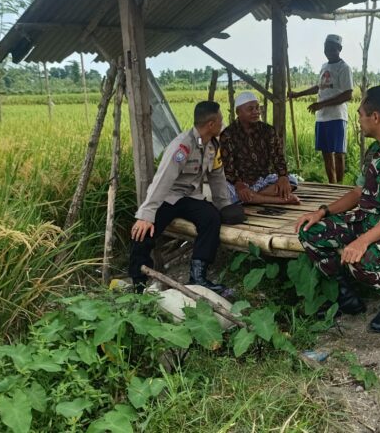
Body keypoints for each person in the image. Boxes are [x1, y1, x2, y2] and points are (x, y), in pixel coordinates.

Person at [294, 86, 380, 332]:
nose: (358, 120)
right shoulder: (374, 150)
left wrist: (361, 242)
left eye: (360, 115)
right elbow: (358, 193)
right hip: (368, 219)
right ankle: (346, 295)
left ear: (375, 117)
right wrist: (322, 212)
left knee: (361, 260)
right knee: (310, 232)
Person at [129, 101, 233, 295]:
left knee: (211, 218)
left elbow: (217, 177)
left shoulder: (212, 145)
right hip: (169, 196)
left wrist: (224, 206)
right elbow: (162, 180)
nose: (223, 123)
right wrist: (146, 214)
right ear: (211, 124)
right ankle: (138, 283)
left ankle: (198, 277)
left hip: (191, 196)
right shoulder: (182, 146)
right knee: (144, 231)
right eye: (220, 120)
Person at [288, 34, 353, 184]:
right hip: (322, 117)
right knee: (326, 153)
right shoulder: (324, 66)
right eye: (326, 47)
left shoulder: (344, 68)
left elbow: (348, 94)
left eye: (332, 48)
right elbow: (319, 87)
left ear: (339, 49)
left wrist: (321, 104)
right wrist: (298, 94)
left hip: (336, 117)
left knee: (338, 153)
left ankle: (339, 187)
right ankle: (332, 184)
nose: (328, 51)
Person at [220, 91, 300, 205]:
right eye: (250, 109)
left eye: (257, 108)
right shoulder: (228, 134)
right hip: (240, 182)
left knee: (292, 181)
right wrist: (239, 184)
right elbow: (228, 167)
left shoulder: (268, 130)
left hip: (263, 180)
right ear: (238, 112)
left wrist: (283, 177)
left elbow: (277, 156)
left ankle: (251, 198)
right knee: (226, 193)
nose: (256, 112)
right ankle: (279, 199)